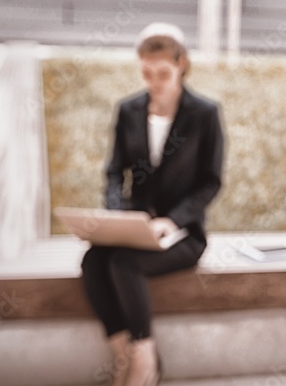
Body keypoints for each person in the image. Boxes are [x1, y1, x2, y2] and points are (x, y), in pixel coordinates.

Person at [81, 22, 224, 386]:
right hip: (134, 225)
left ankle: (145, 361)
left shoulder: (204, 113)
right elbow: (114, 173)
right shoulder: (128, 110)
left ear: (182, 65)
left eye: (162, 73)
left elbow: (211, 182)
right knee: (93, 260)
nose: (154, 82)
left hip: (184, 232)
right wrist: (113, 216)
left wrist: (173, 221)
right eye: (146, 73)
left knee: (124, 264)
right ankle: (123, 354)